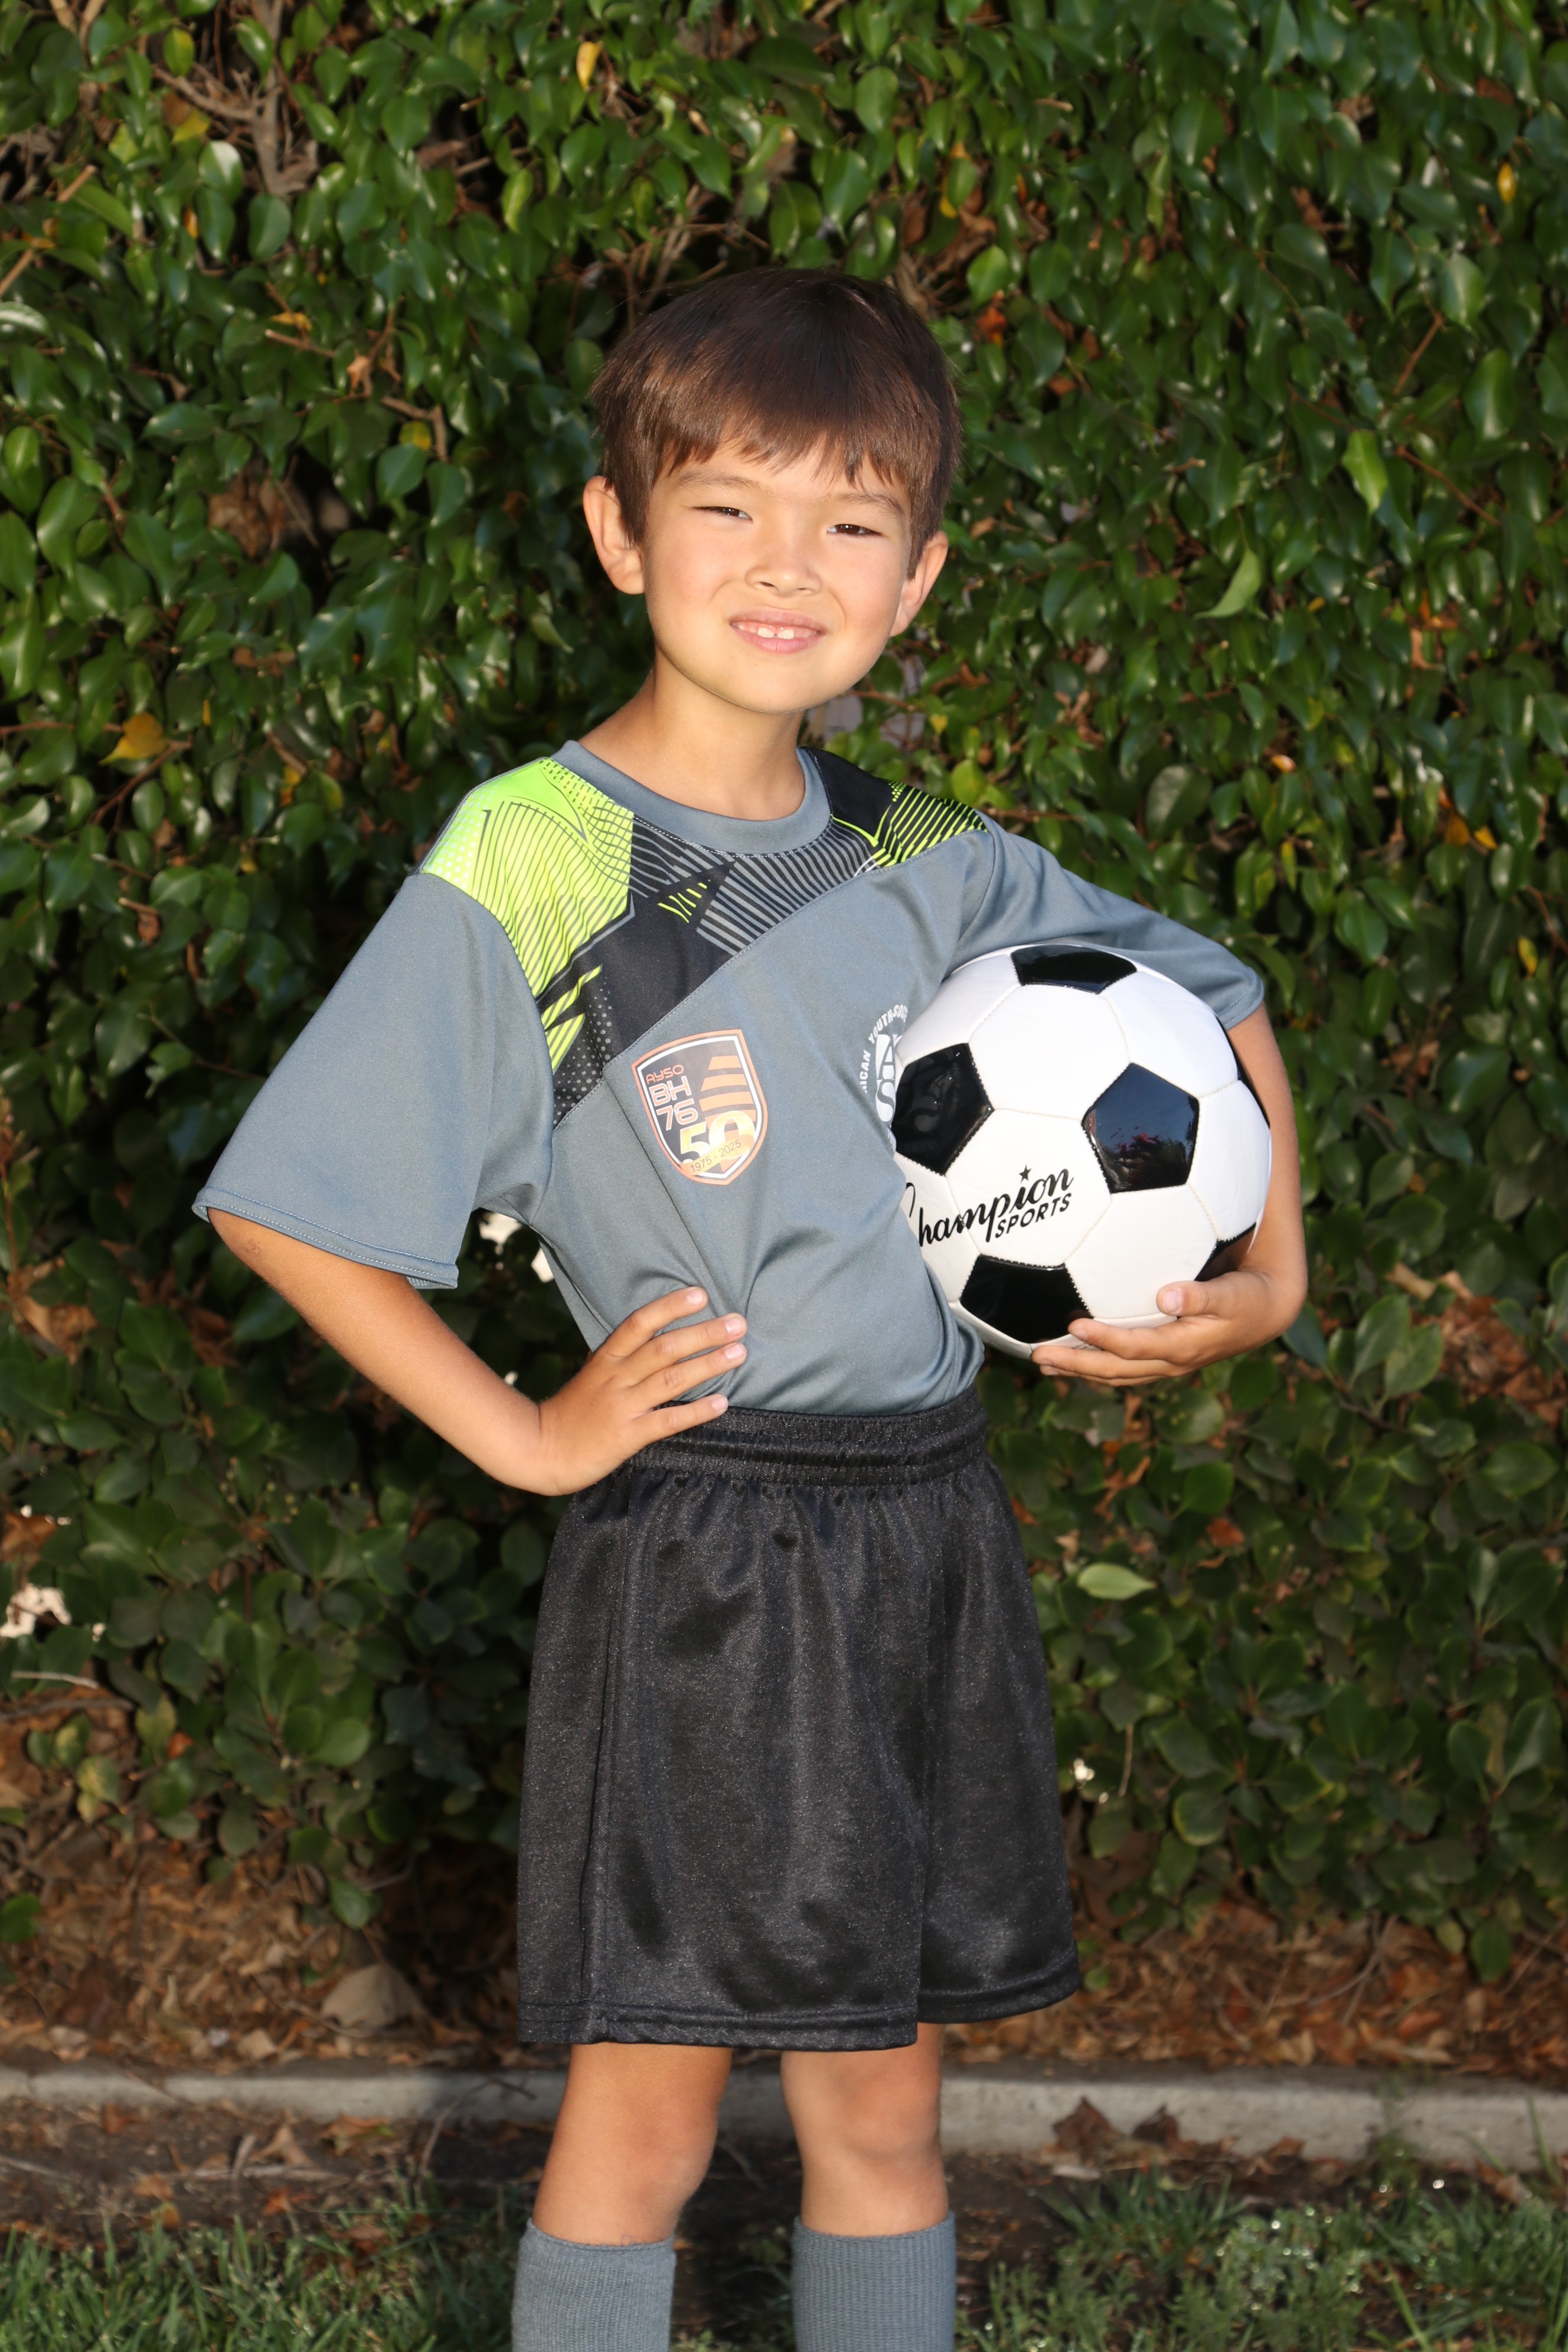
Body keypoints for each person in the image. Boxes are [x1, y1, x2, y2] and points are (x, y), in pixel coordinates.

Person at [197, 269, 1307, 2352]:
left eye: (851, 522)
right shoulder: (529, 860)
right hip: (709, 1554)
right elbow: (290, 1209)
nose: (788, 566)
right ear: (621, 533)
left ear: (919, 577)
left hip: (927, 1524)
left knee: (885, 2106)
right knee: (649, 2121)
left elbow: (1219, 997)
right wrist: (529, 1434)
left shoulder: (928, 854)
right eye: (728, 507)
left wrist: (1275, 1274)